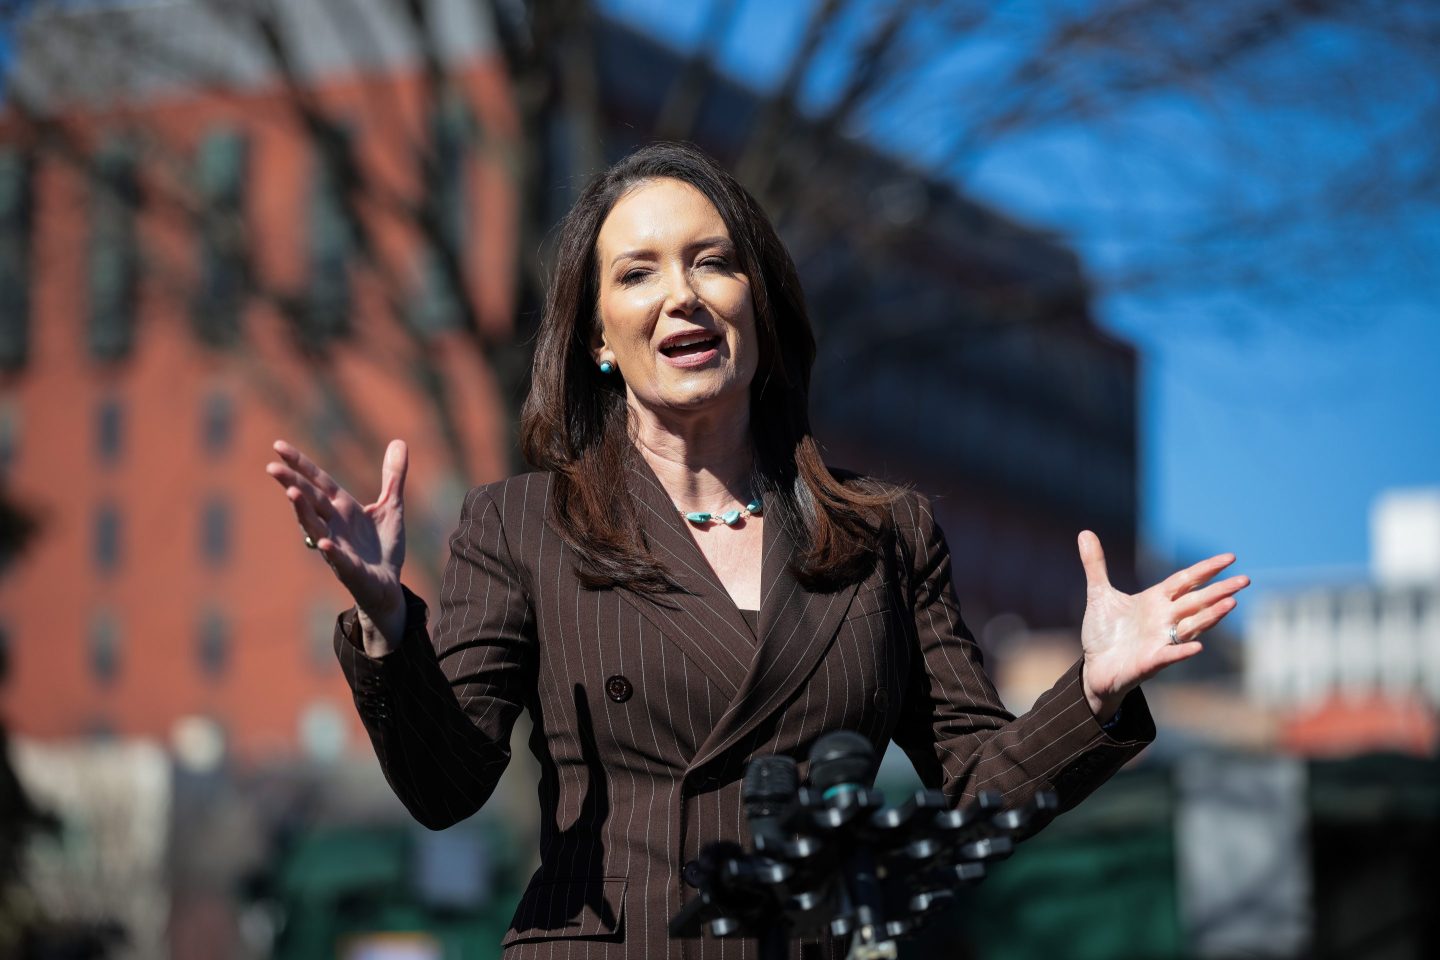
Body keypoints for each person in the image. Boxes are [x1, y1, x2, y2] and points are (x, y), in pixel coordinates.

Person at [265, 141, 1248, 958]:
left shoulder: (882, 530)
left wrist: (1095, 692)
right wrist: (389, 622)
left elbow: (973, 795)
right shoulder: (520, 527)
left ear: (758, 308)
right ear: (598, 335)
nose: (682, 295)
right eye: (638, 271)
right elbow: (446, 789)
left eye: (713, 260)